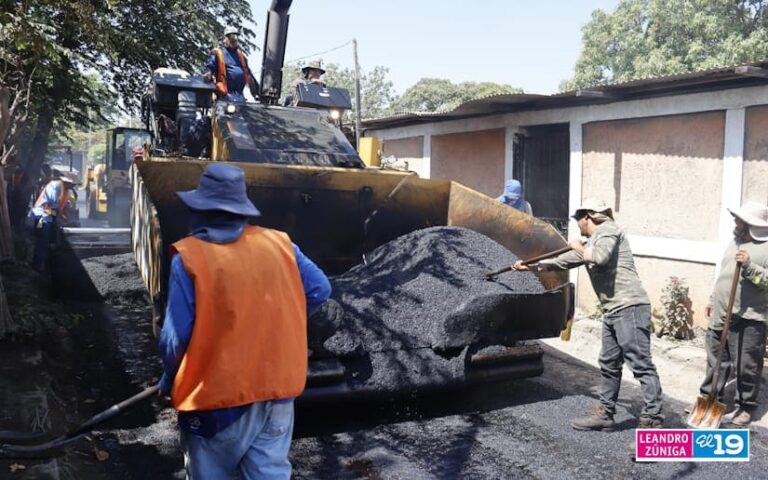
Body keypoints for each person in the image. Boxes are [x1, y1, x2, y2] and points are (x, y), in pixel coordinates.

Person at [158, 163, 331, 479]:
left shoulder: (190, 257)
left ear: (200, 210)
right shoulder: (281, 245)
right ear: (241, 210)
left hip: (216, 397)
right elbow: (321, 288)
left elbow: (175, 338)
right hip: (276, 390)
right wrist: (284, 323)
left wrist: (168, 380)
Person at [513, 198, 663, 431]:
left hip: (630, 306)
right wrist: (533, 266)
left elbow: (599, 257)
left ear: (588, 217)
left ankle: (653, 421)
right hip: (613, 310)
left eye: (577, 219)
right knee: (609, 362)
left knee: (640, 363)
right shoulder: (592, 241)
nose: (577, 224)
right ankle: (605, 414)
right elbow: (564, 261)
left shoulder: (608, 230)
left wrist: (579, 247)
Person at [696, 201, 768, 427]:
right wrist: (712, 299)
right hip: (722, 312)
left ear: (751, 224)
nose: (735, 222)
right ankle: (709, 400)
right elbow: (725, 273)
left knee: (746, 365)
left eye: (740, 220)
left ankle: (746, 407)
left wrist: (749, 266)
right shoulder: (735, 241)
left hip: (749, 317)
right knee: (716, 360)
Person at [29, 174, 77, 271]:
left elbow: (62, 209)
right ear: (66, 182)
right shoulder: (55, 186)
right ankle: (38, 264)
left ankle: (47, 264)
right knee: (43, 237)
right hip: (41, 216)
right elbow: (53, 207)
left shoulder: (66, 192)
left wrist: (65, 220)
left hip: (50, 215)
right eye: (70, 184)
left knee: (50, 240)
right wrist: (59, 220)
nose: (71, 187)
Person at [204, 26, 259, 102]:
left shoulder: (241, 56)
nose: (233, 39)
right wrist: (208, 73)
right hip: (223, 96)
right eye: (231, 37)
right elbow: (210, 66)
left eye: (236, 37)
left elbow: (249, 74)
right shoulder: (218, 53)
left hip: (240, 96)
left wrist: (258, 91)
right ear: (225, 38)